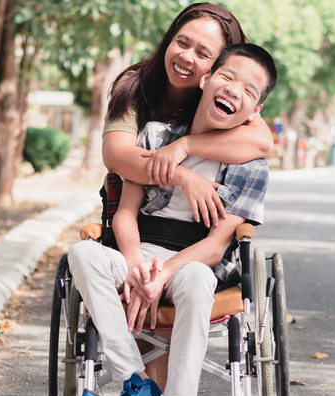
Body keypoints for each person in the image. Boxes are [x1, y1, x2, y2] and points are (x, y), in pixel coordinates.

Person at [68, 43, 278, 396]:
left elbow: (217, 246)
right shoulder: (155, 136)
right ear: (206, 80)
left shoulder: (252, 167)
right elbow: (125, 213)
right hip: (137, 253)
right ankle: (137, 384)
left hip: (190, 264)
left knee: (200, 279)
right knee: (83, 253)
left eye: (249, 90)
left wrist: (161, 274)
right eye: (228, 77)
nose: (234, 90)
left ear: (255, 113)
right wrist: (134, 263)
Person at [101, 3, 273, 230]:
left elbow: (262, 143)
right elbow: (116, 155)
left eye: (203, 53)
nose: (186, 57)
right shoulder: (135, 85)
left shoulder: (222, 97)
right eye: (182, 43)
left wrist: (185, 145)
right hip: (135, 207)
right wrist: (184, 177)